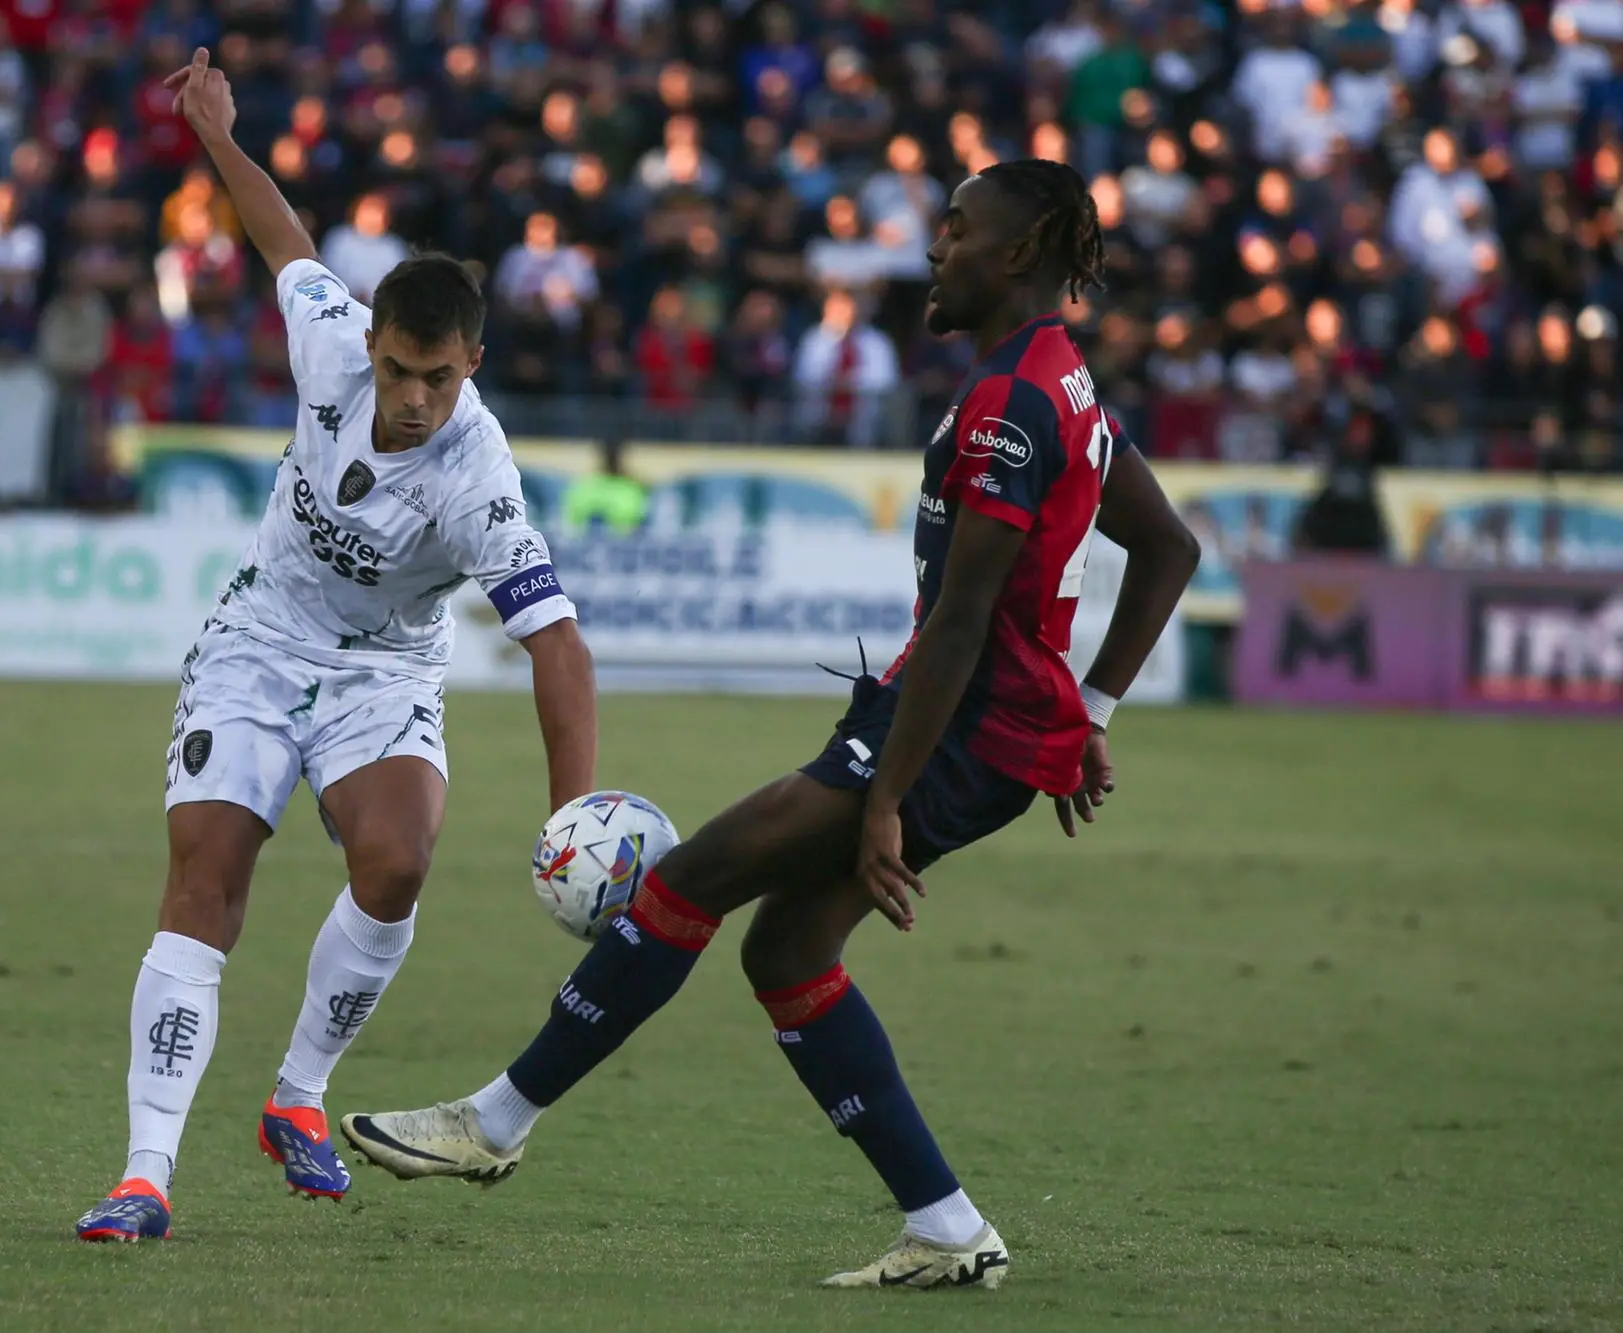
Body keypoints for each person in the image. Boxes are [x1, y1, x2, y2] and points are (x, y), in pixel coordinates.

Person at [341, 161, 1202, 1290]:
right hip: (985, 727)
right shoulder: (1062, 381)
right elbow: (1168, 548)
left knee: (689, 878)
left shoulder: (1009, 406)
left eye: (953, 230)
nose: (932, 248)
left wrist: (886, 795)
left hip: (955, 728)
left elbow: (960, 624)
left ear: (1017, 252)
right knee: (786, 948)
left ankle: (494, 1121)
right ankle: (945, 1227)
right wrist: (1088, 710)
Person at [73, 50, 599, 1243]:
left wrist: (575, 814)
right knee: (205, 884)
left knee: (398, 862)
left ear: (472, 366)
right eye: (399, 370)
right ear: (374, 347)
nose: (412, 397)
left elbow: (557, 644)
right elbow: (282, 236)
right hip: (260, 636)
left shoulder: (479, 479)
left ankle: (295, 1096)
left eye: (438, 377)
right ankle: (145, 1174)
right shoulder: (329, 342)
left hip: (383, 667)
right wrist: (216, 133)